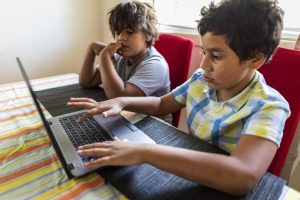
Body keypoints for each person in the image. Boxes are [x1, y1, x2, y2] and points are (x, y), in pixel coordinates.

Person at [68, 0, 290, 196]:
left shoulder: (269, 106)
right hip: (192, 171)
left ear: (255, 58)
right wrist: (122, 101)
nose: (203, 65)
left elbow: (242, 176)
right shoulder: (201, 80)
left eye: (216, 56)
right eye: (204, 52)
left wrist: (144, 151)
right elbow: (161, 104)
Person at [79, 1, 170, 99]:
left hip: (147, 115)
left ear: (148, 34)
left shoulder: (155, 65)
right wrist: (91, 49)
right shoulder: (120, 57)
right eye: (117, 32)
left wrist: (104, 57)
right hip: (124, 113)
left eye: (130, 32)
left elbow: (119, 97)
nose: (121, 38)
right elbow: (88, 82)